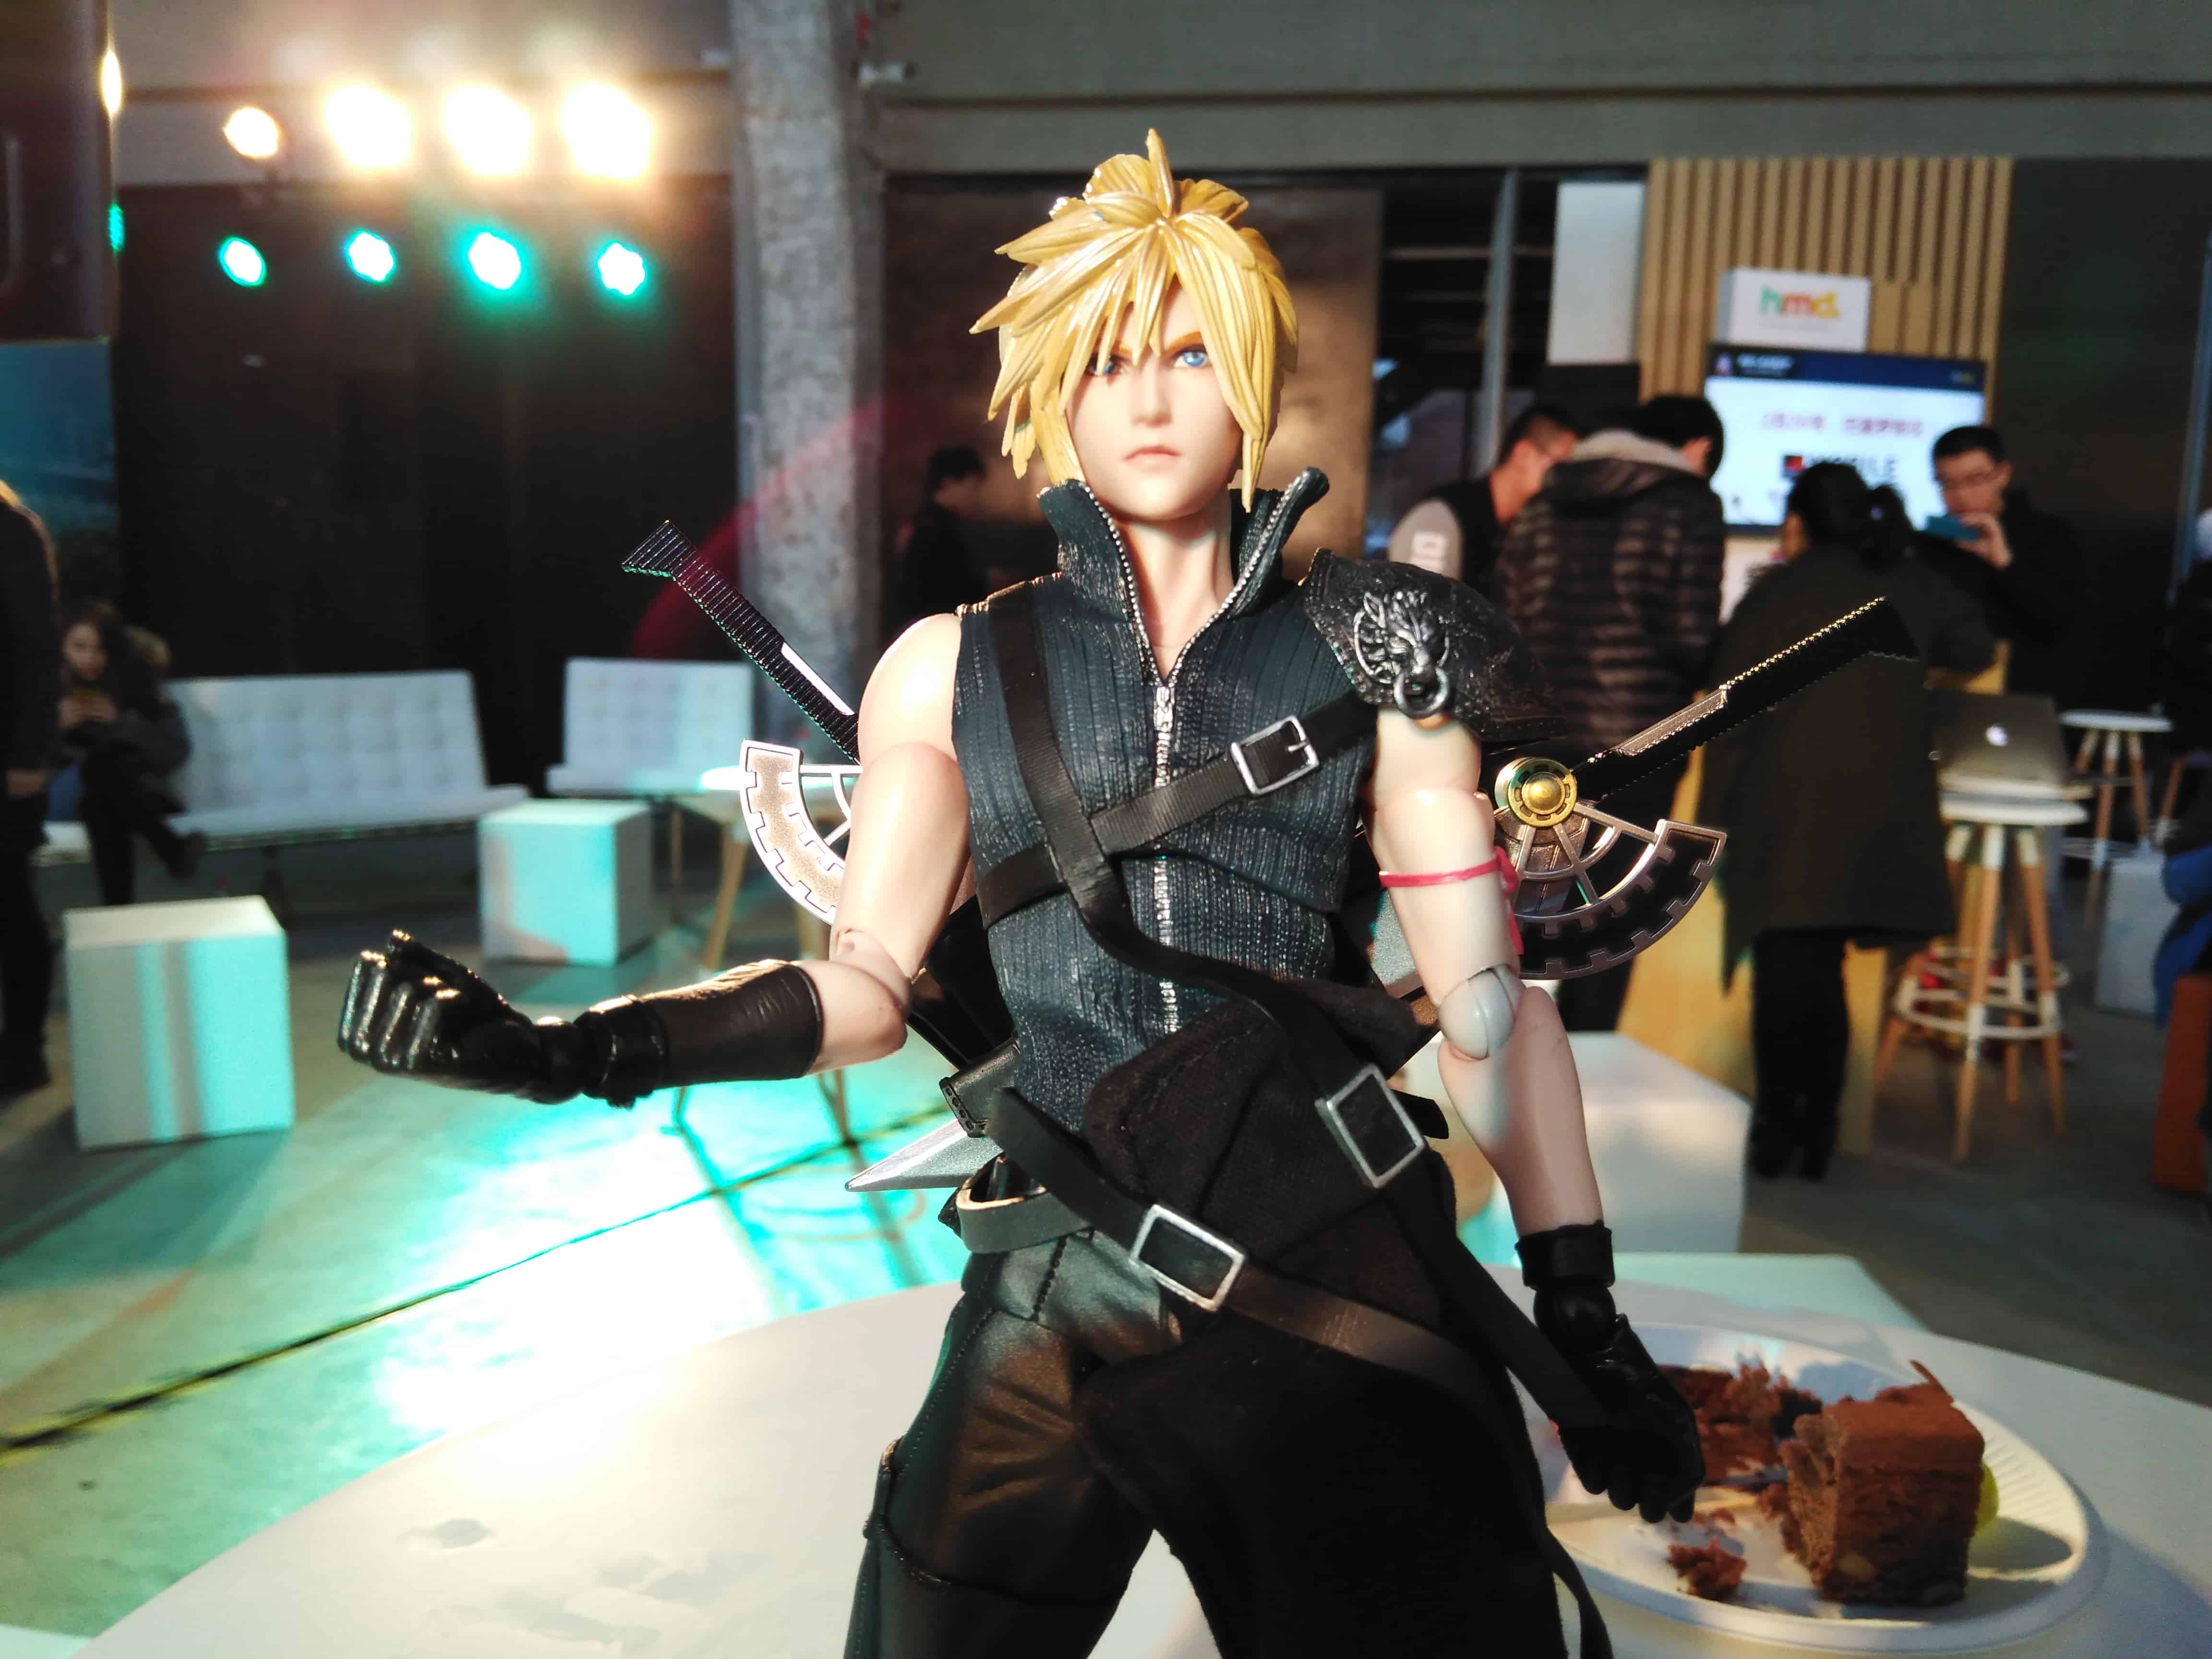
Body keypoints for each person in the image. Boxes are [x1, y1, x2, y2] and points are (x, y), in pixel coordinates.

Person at [336, 132, 1699, 1659]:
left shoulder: (1387, 652)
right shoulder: (949, 669)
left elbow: (1490, 1016)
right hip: (1057, 1267)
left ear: (1254, 378)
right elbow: (862, 990)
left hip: (1327, 1244)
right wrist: (571, 1051)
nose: (1152, 397)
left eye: (1192, 352)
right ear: (1054, 393)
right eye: (1109, 359)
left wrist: (1581, 1305)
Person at [1698, 464, 1993, 1179]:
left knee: (1785, 973)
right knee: (1823, 971)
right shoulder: (1912, 583)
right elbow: (1975, 647)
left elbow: (1725, 700)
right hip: (1873, 813)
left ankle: (1778, 1130)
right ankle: (1818, 1131)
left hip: (1783, 807)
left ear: (1798, 521)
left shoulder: (1777, 592)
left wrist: (1712, 821)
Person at [1495, 393, 1727, 1030]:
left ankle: (1503, 1046)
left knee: (1521, 901)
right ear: (1700, 450)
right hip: (1637, 739)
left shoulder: (1545, 501)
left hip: (1535, 737)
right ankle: (1586, 1056)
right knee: (1614, 909)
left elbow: (1506, 617)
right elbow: (1691, 637)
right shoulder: (1690, 505)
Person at [1915, 424, 2085, 703]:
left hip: (2023, 694)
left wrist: (2005, 563)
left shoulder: (2050, 535)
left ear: (2003, 474)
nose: (1961, 495)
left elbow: (2060, 621)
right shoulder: (1927, 545)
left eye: (1975, 480)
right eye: (1947, 484)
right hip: (1938, 695)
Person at [51, 600, 203, 906]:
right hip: (61, 795)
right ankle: (170, 846)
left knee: (100, 802)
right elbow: (22, 764)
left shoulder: (138, 683)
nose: (89, 658)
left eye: (100, 649)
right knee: (100, 765)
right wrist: (54, 727)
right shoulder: (44, 686)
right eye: (79, 647)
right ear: (63, 646)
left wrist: (121, 722)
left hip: (131, 795)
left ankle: (118, 912)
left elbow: (175, 752)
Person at [1385, 402, 1581, 594]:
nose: (1568, 480)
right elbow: (1419, 609)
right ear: (1525, 455)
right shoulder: (1440, 518)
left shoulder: (1524, 530)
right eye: (1561, 467)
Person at [1, 480, 61, 1097]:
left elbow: (39, 654)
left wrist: (25, 757)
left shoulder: (11, 529)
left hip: (6, 762)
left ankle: (23, 1050)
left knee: (11, 904)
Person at [891, 445, 989, 628]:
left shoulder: (926, 523)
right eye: (972, 486)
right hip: (939, 629)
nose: (975, 495)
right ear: (948, 482)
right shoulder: (934, 530)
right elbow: (947, 591)